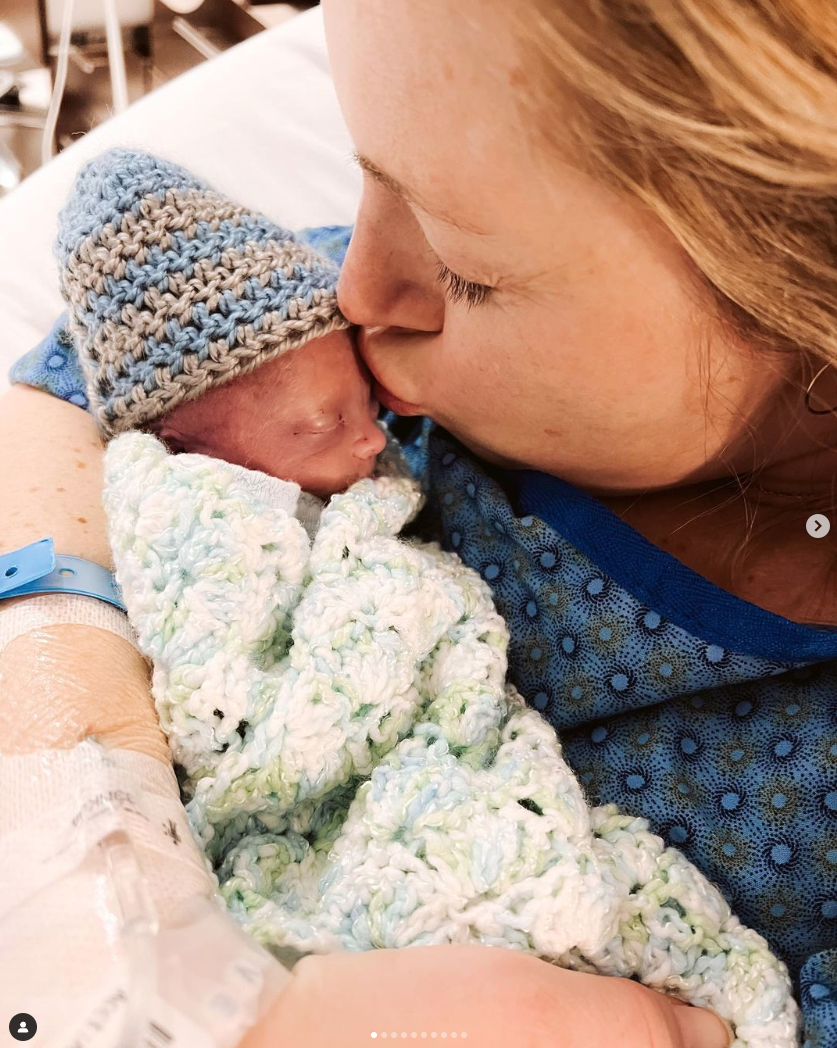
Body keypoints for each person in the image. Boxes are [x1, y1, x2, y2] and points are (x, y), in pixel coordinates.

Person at [3, 0, 836, 1044]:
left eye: (464, 270)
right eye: (365, 176)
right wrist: (84, 837)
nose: (353, 285)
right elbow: (61, 390)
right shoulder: (364, 346)